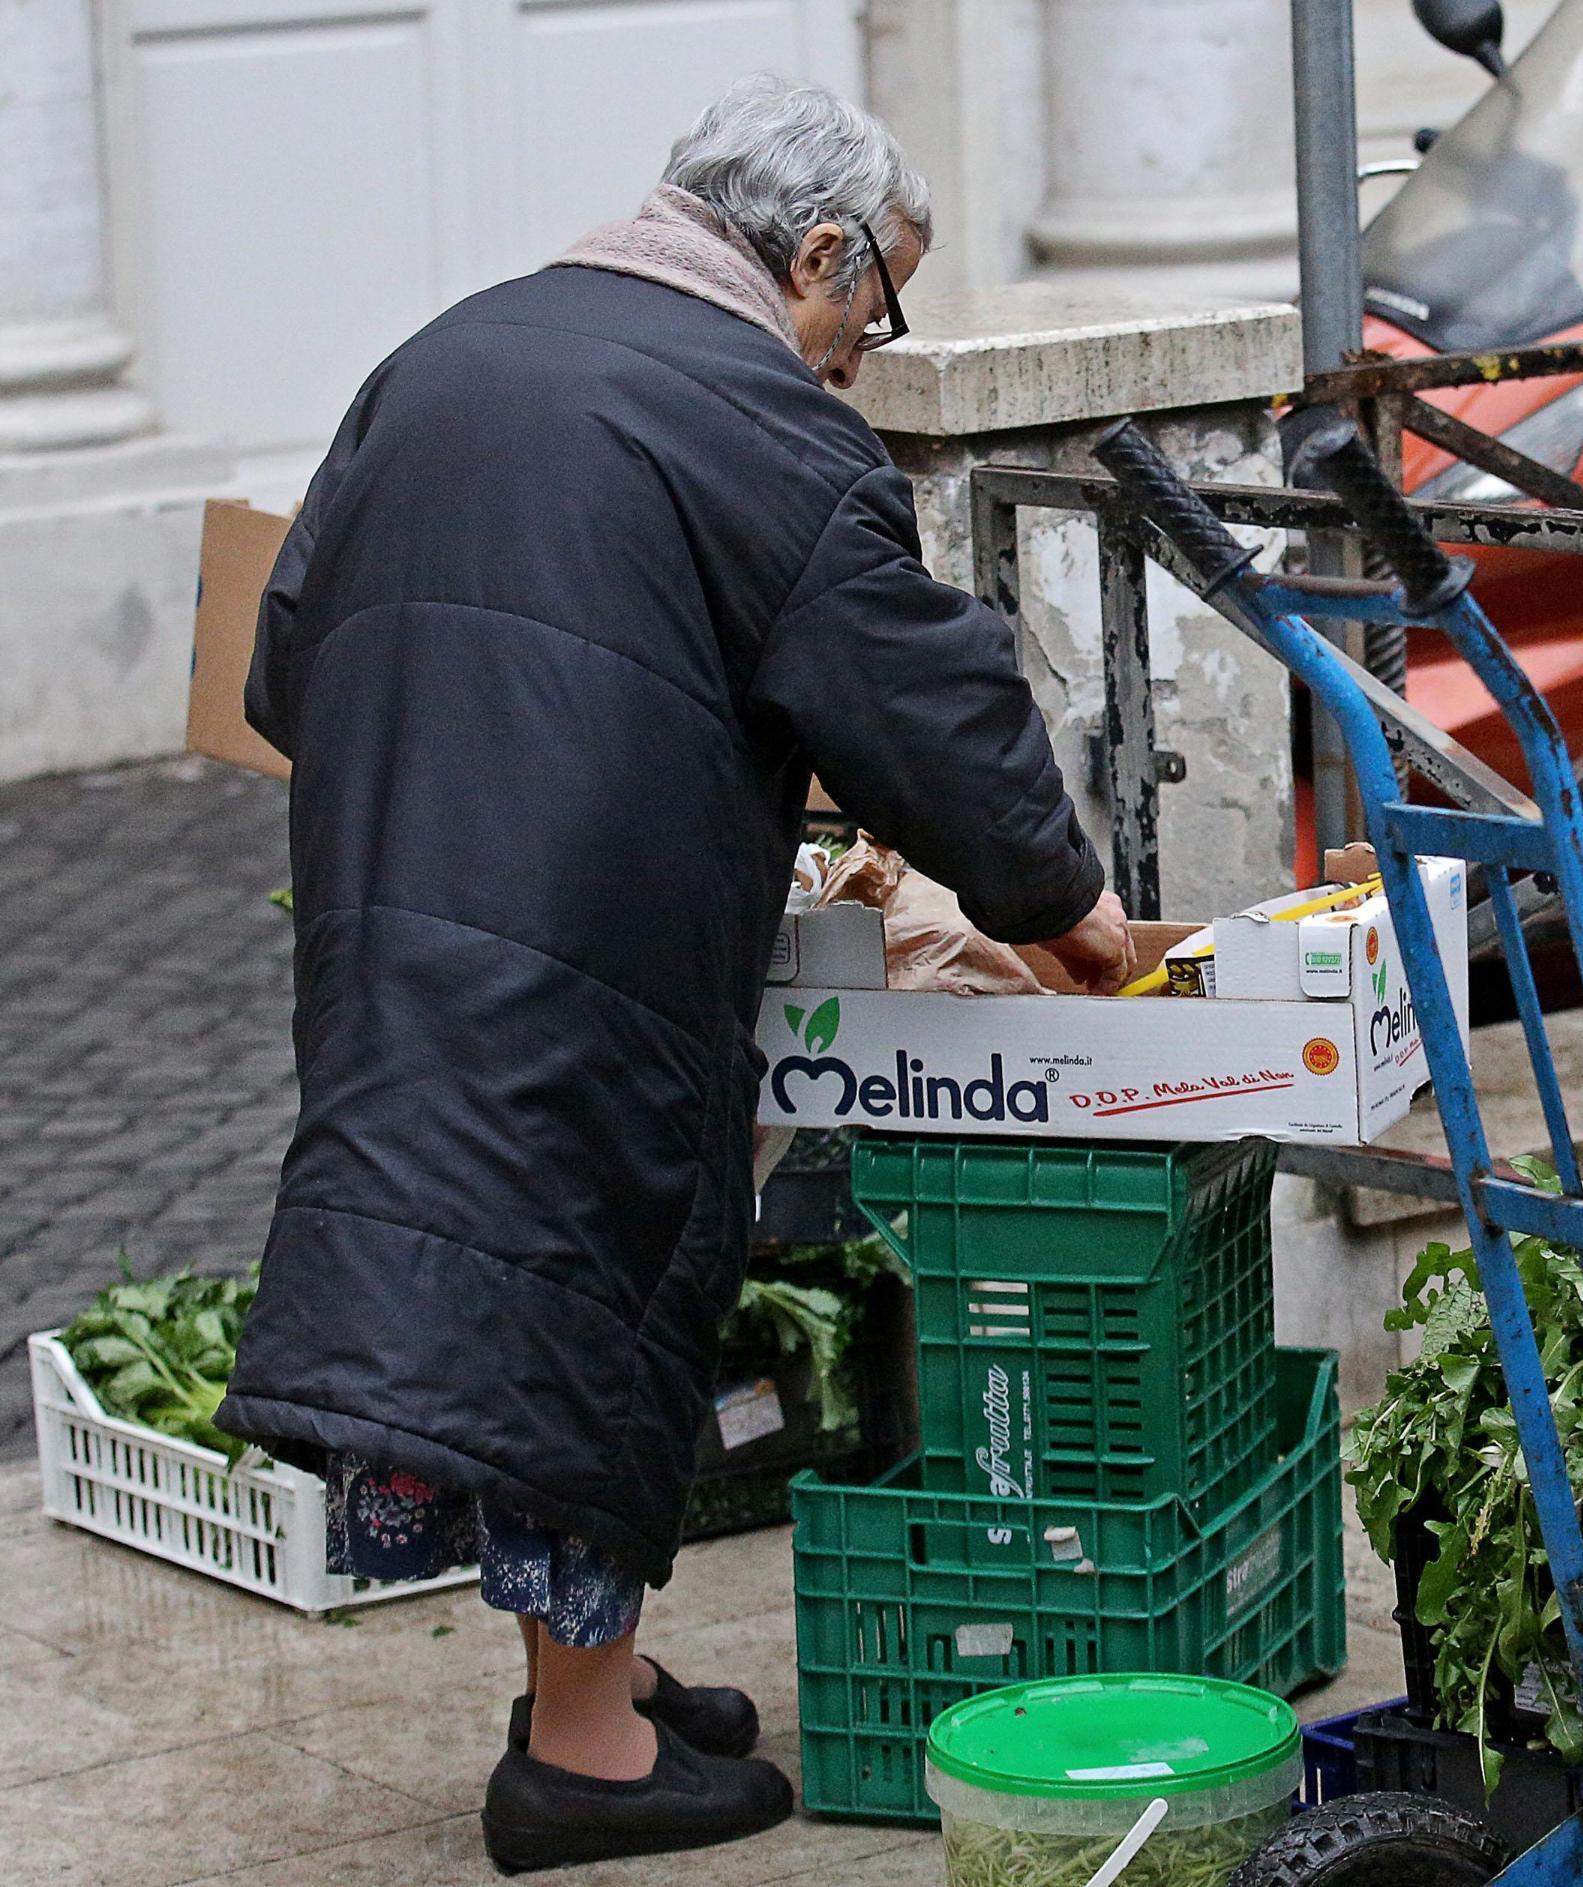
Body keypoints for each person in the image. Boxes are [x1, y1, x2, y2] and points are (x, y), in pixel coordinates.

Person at [214, 77, 1127, 1873]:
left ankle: (600, 1687)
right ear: (813, 254)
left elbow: (282, 667)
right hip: (589, 947)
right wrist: (1068, 911)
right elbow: (924, 703)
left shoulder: (451, 355)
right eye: (877, 309)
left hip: (398, 910)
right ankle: (580, 1764)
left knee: (492, 1267)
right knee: (585, 1290)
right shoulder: (758, 428)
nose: (863, 357)